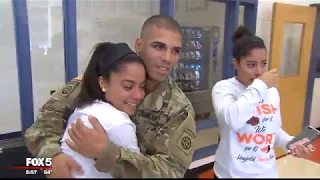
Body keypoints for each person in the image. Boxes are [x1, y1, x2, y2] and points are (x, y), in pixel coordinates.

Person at [24, 14, 196, 178]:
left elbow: (172, 171)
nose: (167, 58)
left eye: (175, 51)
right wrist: (52, 158)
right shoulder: (104, 76)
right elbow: (42, 126)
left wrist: (107, 153)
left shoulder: (178, 109)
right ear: (139, 45)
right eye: (158, 46)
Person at [211, 26, 313, 178]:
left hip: (266, 173)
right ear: (236, 63)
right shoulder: (224, 89)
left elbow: (273, 131)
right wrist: (261, 85)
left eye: (263, 64)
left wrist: (292, 144)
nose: (259, 71)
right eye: (251, 65)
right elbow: (233, 120)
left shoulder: (271, 92)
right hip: (230, 174)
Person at [60, 42, 145, 178]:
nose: (139, 95)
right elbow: (138, 174)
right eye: (128, 86)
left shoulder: (83, 109)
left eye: (142, 86)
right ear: (103, 83)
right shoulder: (118, 122)